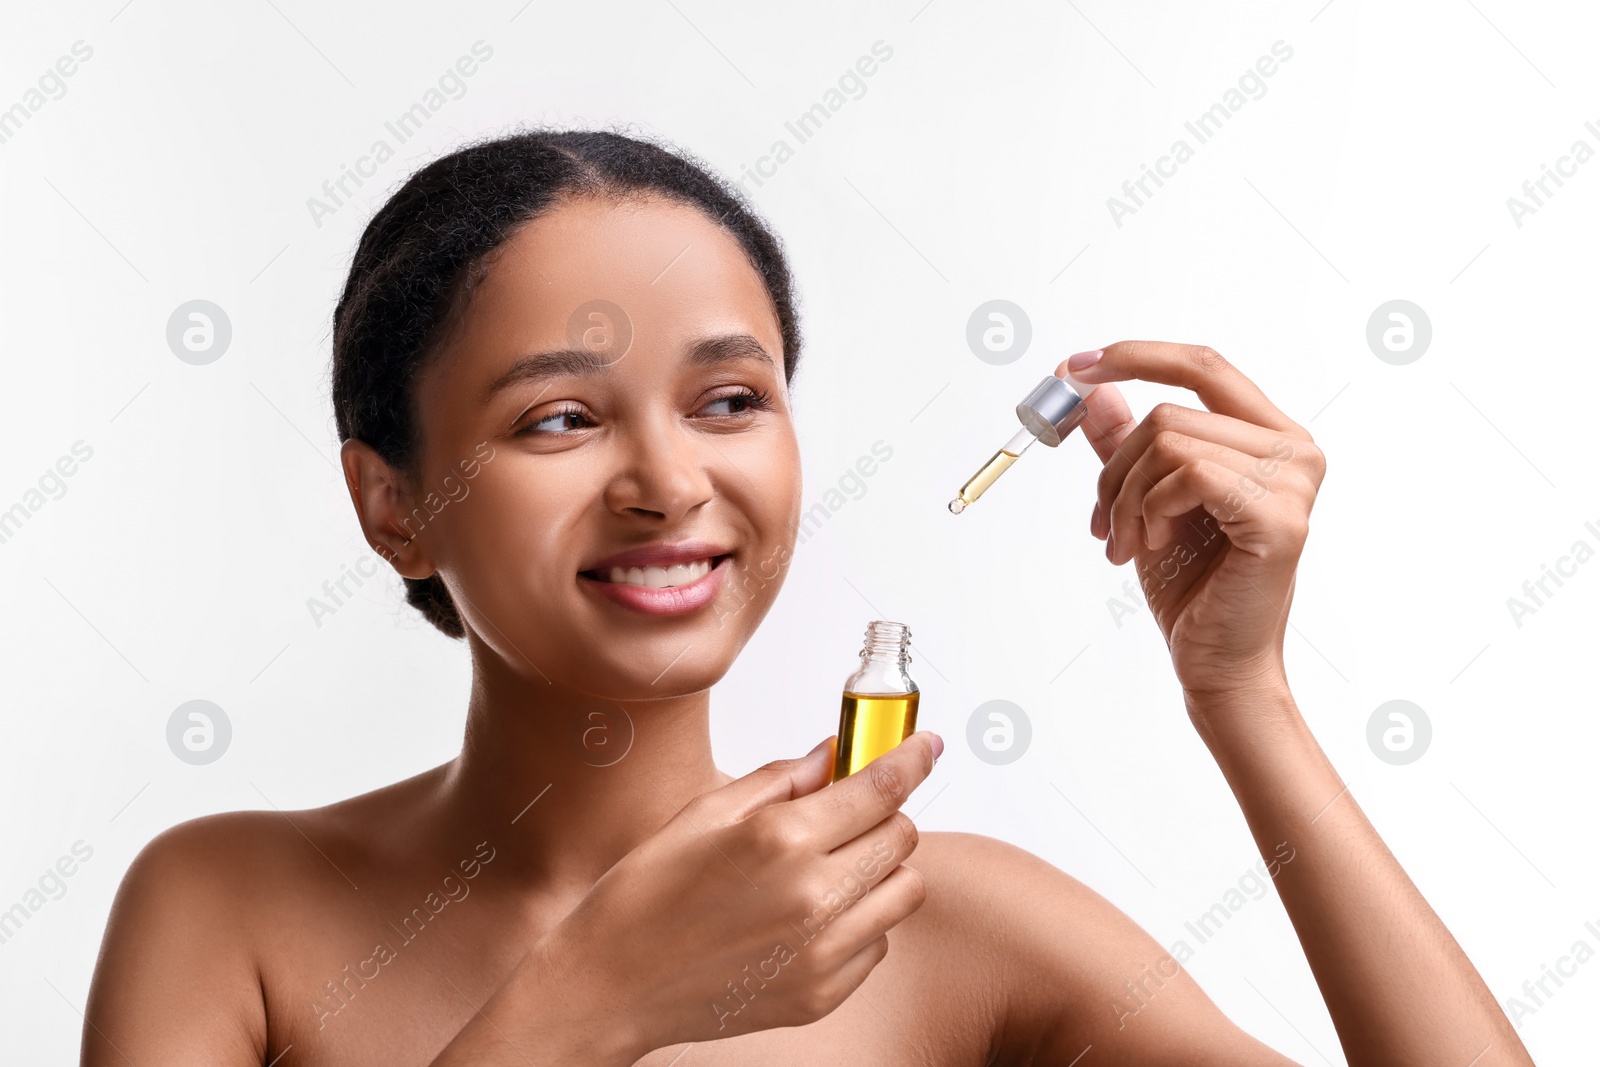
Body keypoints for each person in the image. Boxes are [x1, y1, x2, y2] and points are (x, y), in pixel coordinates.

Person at [82, 128, 1532, 1066]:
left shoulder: (943, 926)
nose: (667, 481)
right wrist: (586, 1008)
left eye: (727, 398)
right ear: (392, 503)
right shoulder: (228, 911)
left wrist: (1244, 694)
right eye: (560, 421)